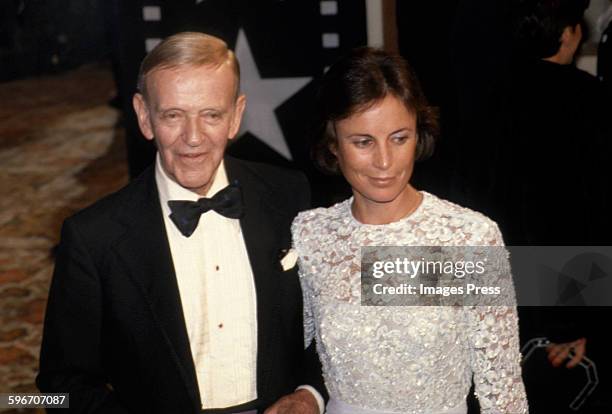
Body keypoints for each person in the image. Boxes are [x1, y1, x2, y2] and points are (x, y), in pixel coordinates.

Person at [37, 32, 326, 414]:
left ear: (236, 115)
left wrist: (310, 394)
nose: (193, 138)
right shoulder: (94, 236)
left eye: (211, 115)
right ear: (144, 116)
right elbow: (57, 388)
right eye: (173, 115)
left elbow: (330, 324)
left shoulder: (288, 194)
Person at [292, 47, 528, 414]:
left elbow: (502, 389)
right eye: (363, 142)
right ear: (332, 143)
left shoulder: (467, 238)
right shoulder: (311, 234)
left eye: (399, 138)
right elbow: (292, 350)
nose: (385, 162)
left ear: (419, 134)